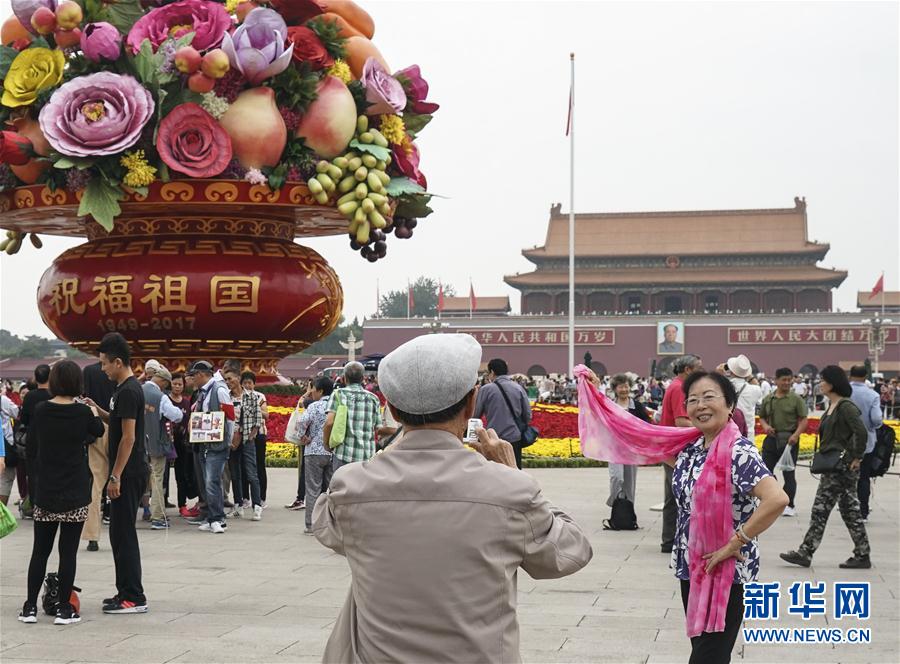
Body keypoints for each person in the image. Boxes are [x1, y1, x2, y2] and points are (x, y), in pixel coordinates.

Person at [312, 333, 593, 662]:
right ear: (472, 403)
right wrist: (513, 474)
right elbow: (570, 552)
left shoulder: (351, 487)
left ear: (392, 411)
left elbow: (325, 527)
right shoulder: (509, 490)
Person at [669, 370, 788, 664]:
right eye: (693, 400)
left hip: (727, 569)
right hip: (692, 565)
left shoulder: (739, 451)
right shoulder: (692, 449)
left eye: (709, 397)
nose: (700, 405)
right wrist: (595, 396)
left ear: (730, 405)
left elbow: (777, 499)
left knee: (707, 656)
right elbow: (635, 436)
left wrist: (734, 543)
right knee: (707, 651)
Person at [17, 361, 104, 625]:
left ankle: (30, 607)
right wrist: (93, 410)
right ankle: (64, 608)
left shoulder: (41, 410)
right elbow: (98, 431)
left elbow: (31, 447)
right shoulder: (82, 412)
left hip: (46, 489)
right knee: (68, 553)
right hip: (75, 490)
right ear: (77, 383)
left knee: (40, 551)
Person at [781, 365, 871, 569]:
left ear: (833, 383)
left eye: (823, 380)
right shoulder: (833, 405)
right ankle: (861, 553)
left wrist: (855, 457)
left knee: (823, 510)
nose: (820, 384)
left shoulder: (845, 406)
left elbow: (861, 432)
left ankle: (807, 552)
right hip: (833, 467)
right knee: (847, 512)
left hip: (841, 468)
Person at [83, 332, 149, 613]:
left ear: (118, 362)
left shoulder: (130, 390)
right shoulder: (122, 391)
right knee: (119, 534)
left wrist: (115, 475)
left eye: (105, 364)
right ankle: (124, 591)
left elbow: (129, 438)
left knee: (124, 534)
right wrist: (97, 409)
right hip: (125, 471)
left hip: (129, 472)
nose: (102, 369)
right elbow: (118, 422)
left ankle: (134, 596)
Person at [659, 355, 702, 553]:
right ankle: (673, 541)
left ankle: (669, 540)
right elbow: (681, 421)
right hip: (675, 450)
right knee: (679, 496)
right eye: (698, 368)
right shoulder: (679, 388)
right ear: (687, 370)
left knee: (672, 496)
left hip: (671, 448)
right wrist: (706, 426)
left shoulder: (676, 386)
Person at [190, 360, 235, 534]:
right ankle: (212, 518)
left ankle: (217, 518)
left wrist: (228, 439)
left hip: (217, 445)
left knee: (212, 481)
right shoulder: (203, 393)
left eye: (194, 375)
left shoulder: (220, 391)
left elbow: (230, 417)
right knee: (208, 482)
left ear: (202, 375)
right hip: (204, 444)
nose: (193, 379)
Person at [758, 367, 808, 517]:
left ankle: (789, 504)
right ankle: (771, 500)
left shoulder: (796, 399)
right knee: (765, 473)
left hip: (789, 441)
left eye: (789, 380)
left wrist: (796, 435)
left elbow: (804, 419)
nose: (787, 383)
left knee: (789, 474)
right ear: (776, 381)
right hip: (772, 440)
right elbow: (762, 417)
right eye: (784, 380)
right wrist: (766, 426)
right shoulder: (769, 399)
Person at [473, 358, 533, 469]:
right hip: (515, 437)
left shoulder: (486, 390)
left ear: (492, 372)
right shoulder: (518, 388)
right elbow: (528, 415)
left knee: (495, 472)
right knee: (515, 471)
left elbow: (475, 415)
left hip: (493, 438)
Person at [143, 366, 182, 530]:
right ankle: (157, 516)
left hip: (137, 443)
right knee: (157, 478)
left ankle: (134, 513)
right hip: (156, 443)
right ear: (163, 380)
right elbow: (176, 415)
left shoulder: (137, 390)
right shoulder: (161, 397)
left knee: (140, 479)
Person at [81, 360, 115, 552]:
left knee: (95, 481)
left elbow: (85, 396)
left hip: (97, 426)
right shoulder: (120, 368)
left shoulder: (89, 370)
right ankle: (122, 528)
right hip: (117, 425)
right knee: (119, 475)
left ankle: (92, 536)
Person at [323, 361, 381, 473]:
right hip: (366, 456)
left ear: (344, 378)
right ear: (363, 378)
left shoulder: (338, 394)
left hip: (343, 454)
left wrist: (326, 444)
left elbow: (329, 423)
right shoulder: (373, 398)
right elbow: (378, 428)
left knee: (341, 488)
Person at [607, 373, 650, 516]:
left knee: (630, 482)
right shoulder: (610, 405)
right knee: (617, 477)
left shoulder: (636, 406)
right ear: (615, 389)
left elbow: (646, 424)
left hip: (631, 449)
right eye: (621, 387)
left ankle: (628, 510)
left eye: (626, 386)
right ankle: (615, 502)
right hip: (614, 447)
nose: (624, 389)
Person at [224, 367, 263, 521]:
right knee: (235, 474)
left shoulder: (252, 397)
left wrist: (250, 436)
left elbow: (258, 420)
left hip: (247, 439)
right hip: (231, 441)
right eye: (226, 380)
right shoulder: (226, 397)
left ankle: (257, 506)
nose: (228, 382)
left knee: (251, 473)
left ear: (238, 378)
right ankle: (238, 505)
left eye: (230, 379)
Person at [297, 376, 334, 534]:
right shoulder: (336, 405)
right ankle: (329, 523)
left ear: (320, 390)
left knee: (312, 489)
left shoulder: (314, 406)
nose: (312, 392)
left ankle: (311, 525)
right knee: (330, 489)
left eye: (314, 389)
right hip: (332, 451)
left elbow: (301, 421)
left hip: (313, 452)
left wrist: (303, 436)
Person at [847, 366, 884, 521]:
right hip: (867, 442)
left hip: (845, 441)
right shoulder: (872, 395)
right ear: (866, 376)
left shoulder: (843, 393)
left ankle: (848, 509)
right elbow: (876, 419)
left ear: (850, 375)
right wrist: (871, 427)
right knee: (863, 477)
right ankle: (863, 511)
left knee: (846, 477)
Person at [17, 364, 52, 515]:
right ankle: (49, 503)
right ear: (50, 377)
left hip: (33, 438)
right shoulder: (54, 395)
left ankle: (35, 504)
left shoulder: (30, 396)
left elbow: (23, 418)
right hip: (51, 438)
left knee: (32, 473)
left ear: (36, 378)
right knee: (50, 470)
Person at [168, 373, 195, 518]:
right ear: (170, 384)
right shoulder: (165, 400)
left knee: (182, 475)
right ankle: (160, 503)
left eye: (180, 384)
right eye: (175, 384)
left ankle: (182, 504)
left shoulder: (186, 402)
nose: (177, 387)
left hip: (182, 443)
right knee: (163, 475)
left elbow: (189, 420)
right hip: (166, 442)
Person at [240, 372, 269, 509]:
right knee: (244, 467)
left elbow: (266, 414)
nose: (247, 385)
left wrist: (253, 407)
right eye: (245, 382)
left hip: (259, 434)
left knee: (259, 466)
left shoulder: (260, 396)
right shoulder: (239, 396)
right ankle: (245, 498)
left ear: (254, 384)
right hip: (243, 435)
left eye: (249, 382)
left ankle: (261, 498)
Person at [720, 354, 762, 435]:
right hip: (748, 434)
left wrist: (719, 373)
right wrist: (747, 374)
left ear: (731, 371)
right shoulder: (755, 389)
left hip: (728, 432)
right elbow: (757, 387)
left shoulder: (723, 386)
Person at [0, 385, 18, 506]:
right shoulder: (4, 400)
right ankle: (1, 512)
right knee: (6, 479)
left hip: (4, 445)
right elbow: (17, 412)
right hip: (5, 445)